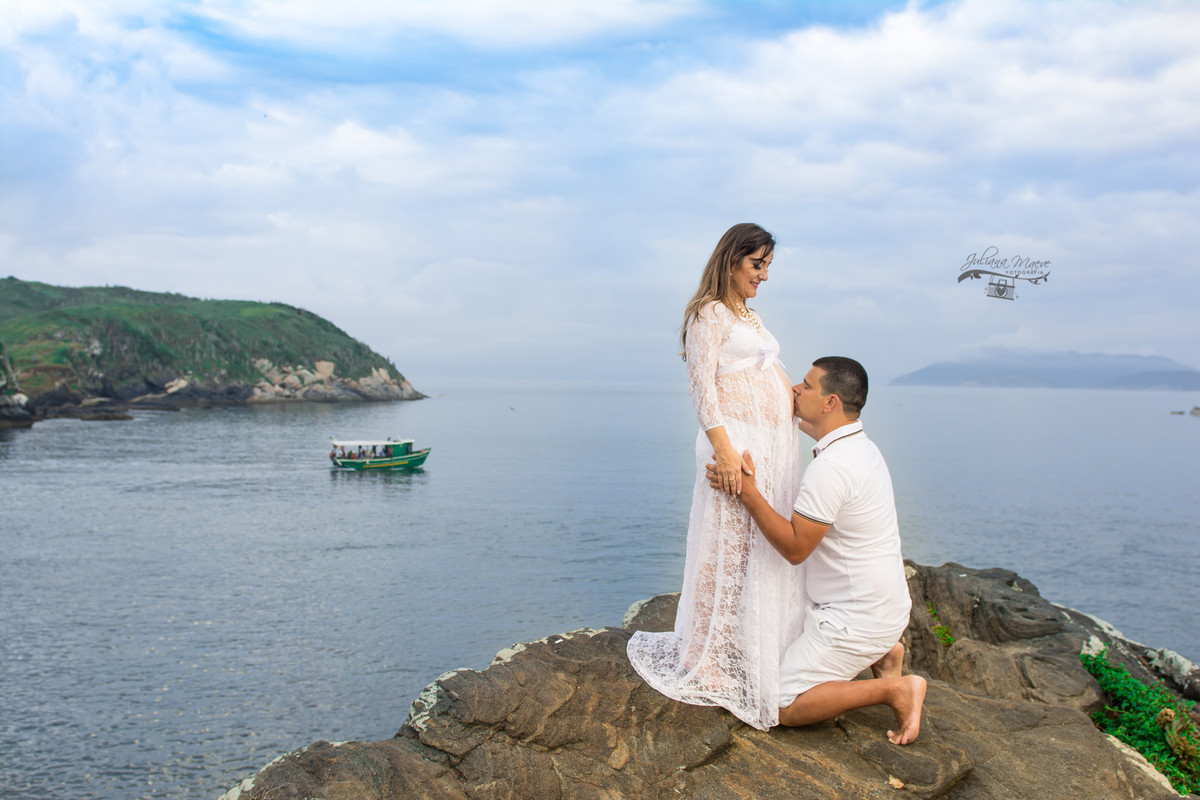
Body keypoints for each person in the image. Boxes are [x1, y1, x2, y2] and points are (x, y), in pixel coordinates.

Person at [627, 223, 807, 730]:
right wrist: (726, 453)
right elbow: (703, 388)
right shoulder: (709, 313)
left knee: (750, 549)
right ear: (731, 260)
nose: (764, 275)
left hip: (766, 449)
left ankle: (742, 650)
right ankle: (704, 658)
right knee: (723, 545)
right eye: (758, 264)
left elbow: (760, 376)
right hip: (736, 448)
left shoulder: (748, 314)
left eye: (768, 265)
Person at [706, 356, 925, 744]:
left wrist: (747, 491)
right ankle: (884, 654)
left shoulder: (833, 469)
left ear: (830, 403)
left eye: (805, 386)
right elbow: (806, 422)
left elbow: (795, 548)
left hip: (857, 618)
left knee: (780, 704)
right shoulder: (860, 445)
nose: (794, 390)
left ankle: (895, 689)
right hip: (886, 607)